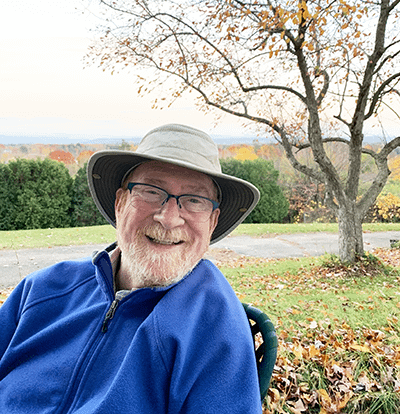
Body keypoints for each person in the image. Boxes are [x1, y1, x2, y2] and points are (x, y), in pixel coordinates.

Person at [0, 124, 262, 413]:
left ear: (212, 222)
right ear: (120, 203)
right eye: (151, 191)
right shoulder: (41, 290)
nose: (169, 218)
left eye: (194, 200)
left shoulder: (215, 327)